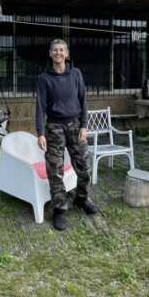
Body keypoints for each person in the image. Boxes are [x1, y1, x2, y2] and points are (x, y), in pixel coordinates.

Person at [36, 39, 99, 231]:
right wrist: (40, 133)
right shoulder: (44, 78)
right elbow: (39, 107)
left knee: (85, 167)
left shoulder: (76, 74)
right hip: (54, 127)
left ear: (67, 52)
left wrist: (84, 126)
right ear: (50, 53)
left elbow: (83, 101)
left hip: (75, 125)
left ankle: (81, 199)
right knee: (55, 171)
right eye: (55, 50)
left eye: (61, 50)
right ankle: (59, 210)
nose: (58, 53)